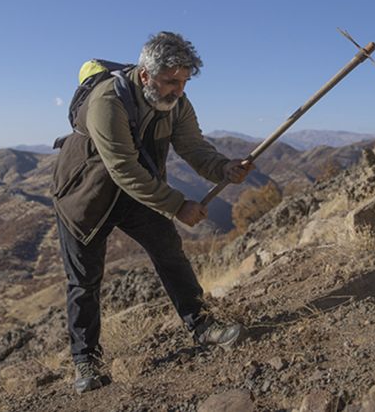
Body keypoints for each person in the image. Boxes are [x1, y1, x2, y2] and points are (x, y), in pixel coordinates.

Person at [52, 31, 254, 394]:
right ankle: (86, 361)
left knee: (169, 252)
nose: (178, 90)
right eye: (170, 82)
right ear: (145, 75)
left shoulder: (177, 102)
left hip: (138, 193)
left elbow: (193, 146)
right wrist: (177, 205)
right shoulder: (106, 102)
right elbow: (123, 169)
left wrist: (223, 168)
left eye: (184, 81)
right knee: (84, 280)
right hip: (84, 197)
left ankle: (203, 327)